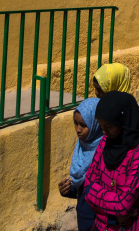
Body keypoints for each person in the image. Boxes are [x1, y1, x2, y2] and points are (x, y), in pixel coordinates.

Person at [85, 91, 139, 231]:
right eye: (101, 126)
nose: (104, 132)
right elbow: (87, 185)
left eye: (109, 127)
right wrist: (112, 215)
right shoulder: (107, 140)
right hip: (100, 226)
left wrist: (96, 194)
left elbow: (123, 205)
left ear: (123, 121)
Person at [58, 98, 102, 231]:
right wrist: (67, 190)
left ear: (96, 124)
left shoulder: (103, 152)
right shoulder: (81, 147)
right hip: (84, 220)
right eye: (75, 123)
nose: (78, 129)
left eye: (83, 125)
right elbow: (83, 189)